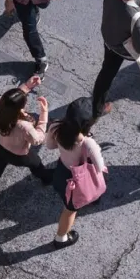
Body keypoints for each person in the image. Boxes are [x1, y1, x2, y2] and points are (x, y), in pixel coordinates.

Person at [0, 75, 52, 210]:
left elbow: (9, 100)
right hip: (18, 155)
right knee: (36, 164)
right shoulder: (24, 126)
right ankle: (46, 178)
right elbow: (38, 139)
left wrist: (27, 86)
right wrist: (44, 114)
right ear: (19, 108)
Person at [45, 98, 106, 249]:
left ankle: (88, 199)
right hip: (76, 182)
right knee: (70, 211)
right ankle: (61, 238)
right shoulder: (87, 143)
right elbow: (99, 166)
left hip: (61, 172)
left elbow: (49, 145)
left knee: (67, 201)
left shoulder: (56, 126)